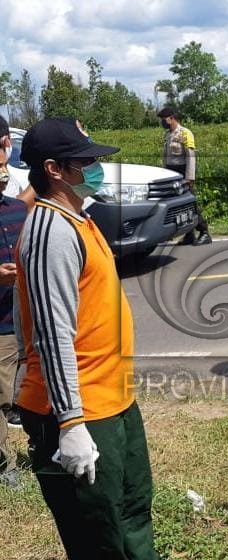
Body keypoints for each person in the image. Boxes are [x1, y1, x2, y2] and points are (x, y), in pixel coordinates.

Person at [14, 117, 158, 559]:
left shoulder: (79, 219)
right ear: (55, 169)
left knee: (133, 512)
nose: (95, 167)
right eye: (86, 161)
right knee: (98, 534)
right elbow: (52, 334)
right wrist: (70, 424)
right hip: (78, 411)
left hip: (113, 399)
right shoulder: (49, 232)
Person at [0, 136, 27, 487]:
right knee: (1, 397)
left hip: (27, 319)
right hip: (2, 325)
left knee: (28, 391)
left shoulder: (19, 211)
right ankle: (4, 466)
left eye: (3, 164)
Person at [158, 106, 211, 245]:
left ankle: (204, 232)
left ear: (172, 118)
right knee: (178, 206)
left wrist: (190, 177)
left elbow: (190, 156)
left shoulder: (185, 133)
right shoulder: (168, 134)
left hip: (183, 173)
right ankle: (189, 234)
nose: (162, 122)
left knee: (190, 204)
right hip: (171, 174)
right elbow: (166, 157)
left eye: (164, 119)